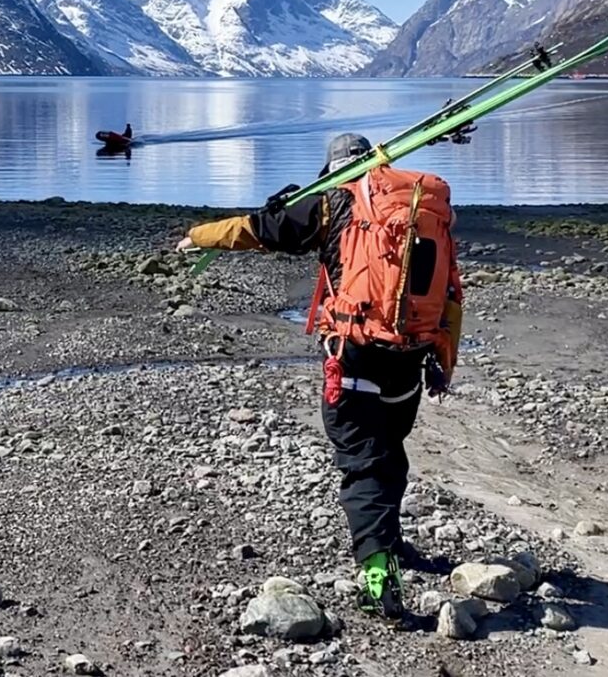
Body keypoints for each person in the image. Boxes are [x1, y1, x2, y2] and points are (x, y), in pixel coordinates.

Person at [176, 133, 463, 621]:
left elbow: (260, 228)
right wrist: (444, 362)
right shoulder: (420, 208)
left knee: (361, 460)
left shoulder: (330, 203)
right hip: (410, 357)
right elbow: (452, 292)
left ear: (331, 166)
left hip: (353, 354)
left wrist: (199, 236)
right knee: (389, 453)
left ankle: (377, 571)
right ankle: (389, 540)